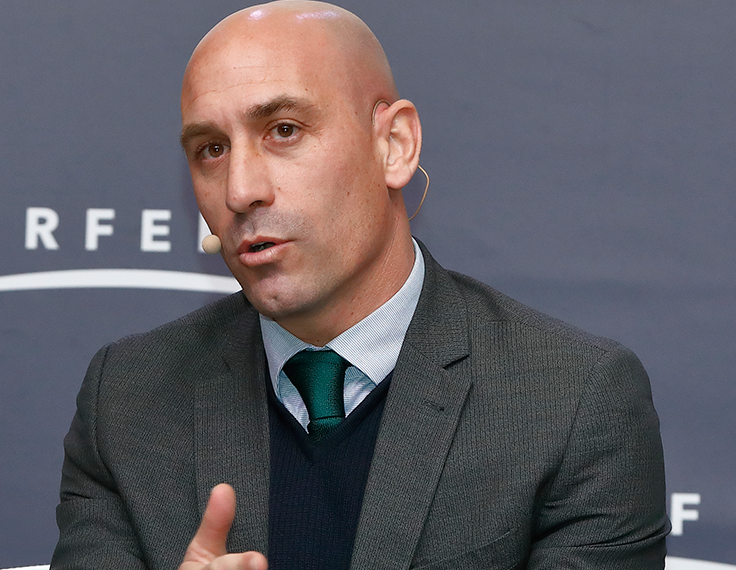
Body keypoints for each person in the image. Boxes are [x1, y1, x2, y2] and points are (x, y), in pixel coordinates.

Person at [50, 2, 669, 569]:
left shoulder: (573, 401)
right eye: (211, 149)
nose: (240, 189)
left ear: (393, 146)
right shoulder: (127, 402)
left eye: (284, 130)